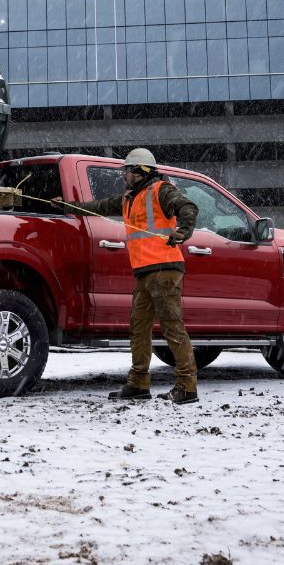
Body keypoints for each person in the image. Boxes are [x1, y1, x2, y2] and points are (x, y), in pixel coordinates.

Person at [61, 148, 201, 404]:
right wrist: (69, 206)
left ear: (139, 171)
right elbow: (99, 206)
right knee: (139, 329)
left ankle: (187, 387)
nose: (124, 175)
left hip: (165, 269)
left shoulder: (162, 190)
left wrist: (183, 232)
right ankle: (138, 384)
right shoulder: (129, 197)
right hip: (144, 272)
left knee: (172, 327)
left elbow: (188, 207)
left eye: (127, 171)